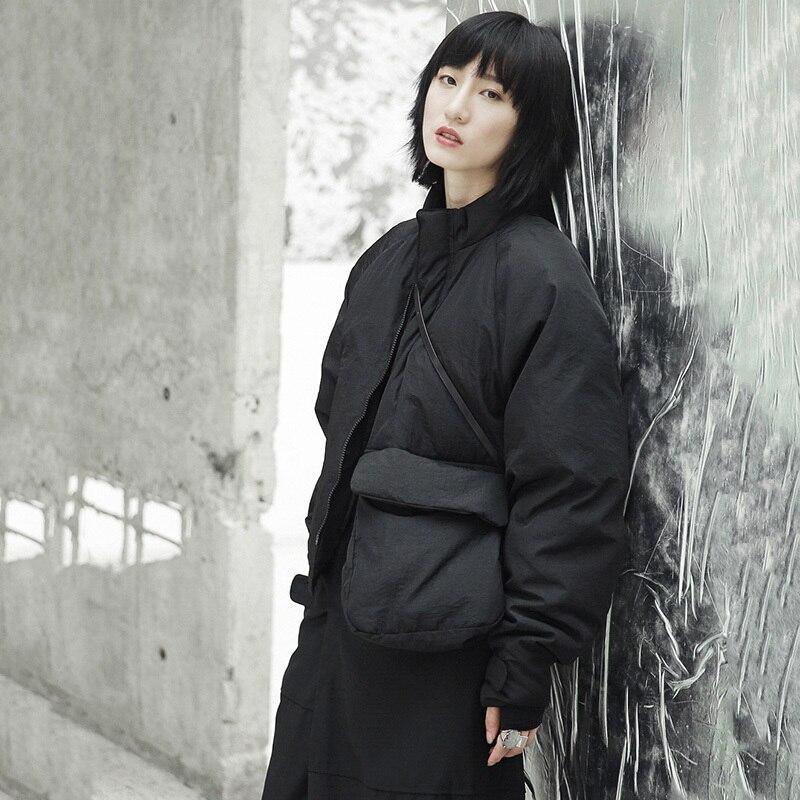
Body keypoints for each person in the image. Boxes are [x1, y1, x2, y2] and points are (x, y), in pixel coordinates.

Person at [262, 10, 630, 800]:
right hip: (338, 628)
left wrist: (525, 661)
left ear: (531, 125)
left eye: (491, 93)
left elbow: (572, 487)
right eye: (447, 79)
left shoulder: (542, 280)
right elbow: (336, 415)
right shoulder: (389, 257)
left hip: (445, 657)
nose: (456, 106)